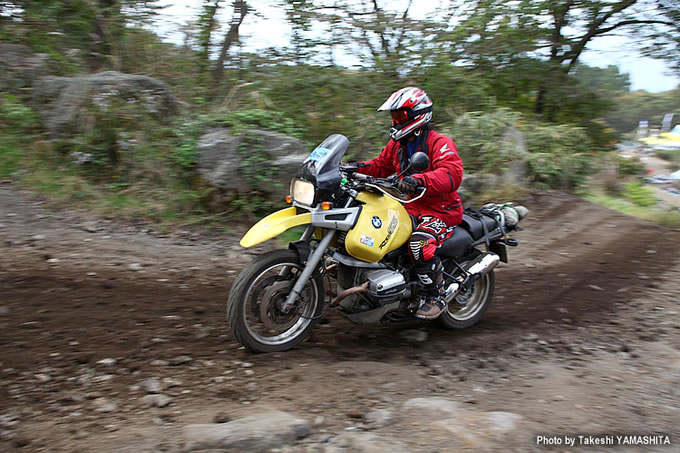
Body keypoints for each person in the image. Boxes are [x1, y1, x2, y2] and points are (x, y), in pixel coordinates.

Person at [355, 87, 464, 320]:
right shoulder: (398, 145)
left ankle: (435, 295)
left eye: (400, 117)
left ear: (418, 115)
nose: (395, 121)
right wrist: (352, 167)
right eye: (394, 117)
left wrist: (419, 180)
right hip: (410, 207)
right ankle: (400, 292)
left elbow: (452, 173)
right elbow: (379, 165)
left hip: (441, 211)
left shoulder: (440, 143)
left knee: (418, 244)